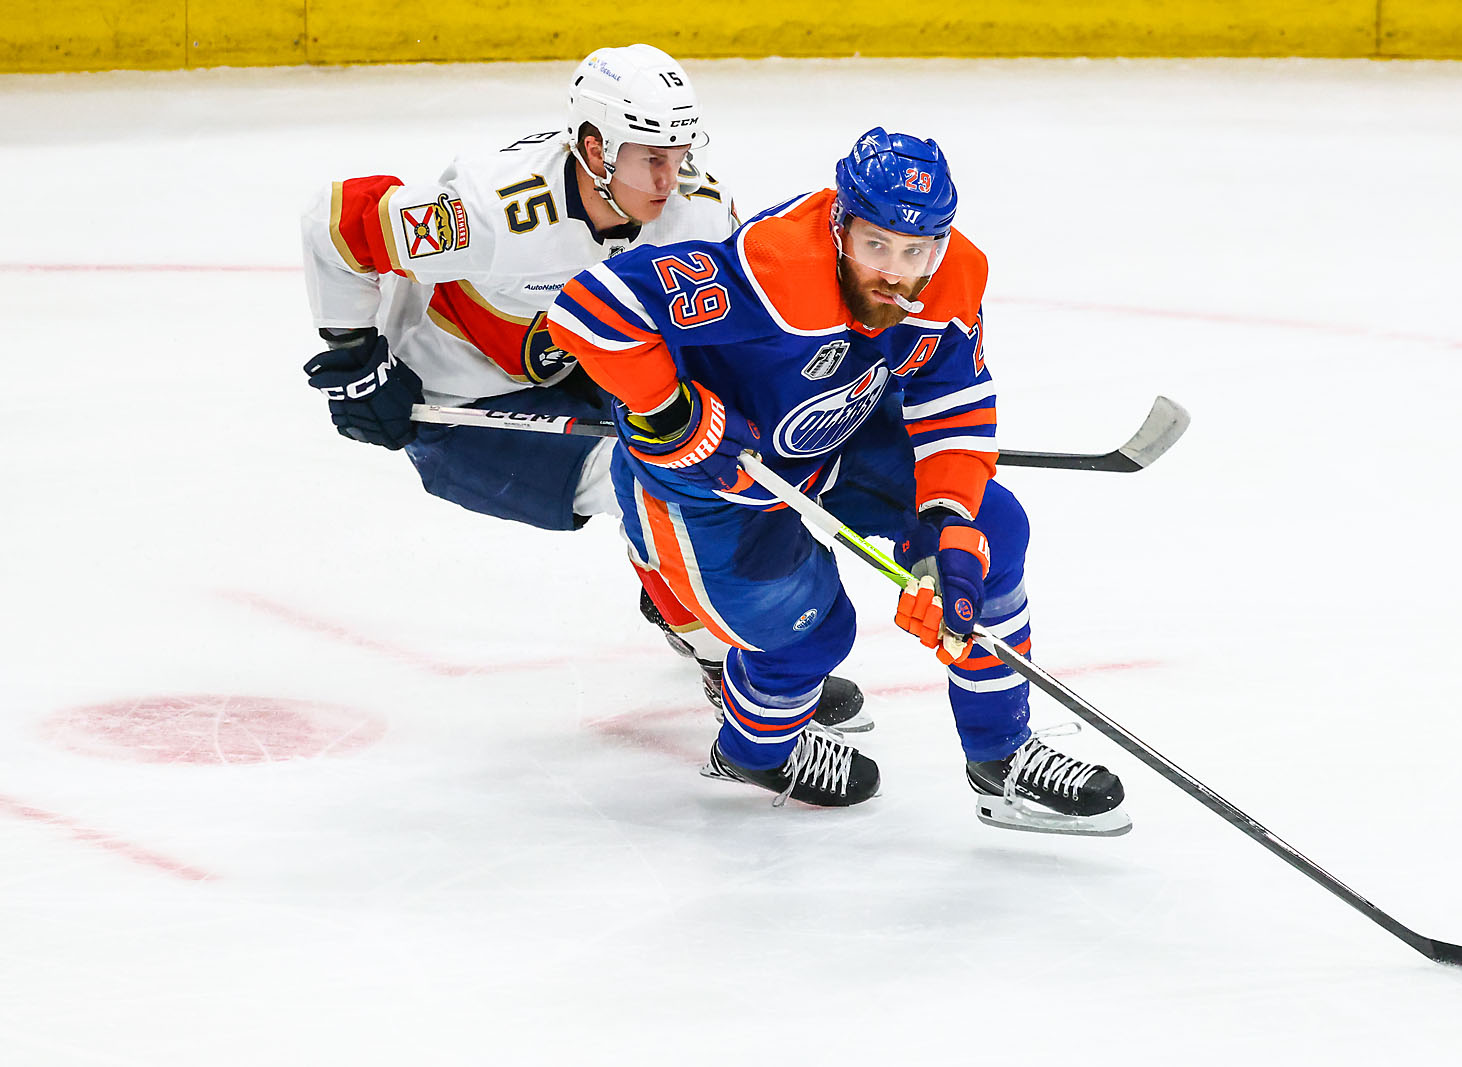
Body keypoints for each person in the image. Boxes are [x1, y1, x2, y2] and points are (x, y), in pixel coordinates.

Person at [544, 127, 1129, 833]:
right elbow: (589, 308)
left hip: (837, 441)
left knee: (987, 536)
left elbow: (952, 398)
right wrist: (671, 413)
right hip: (710, 488)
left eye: (916, 251)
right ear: (840, 224)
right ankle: (753, 753)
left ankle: (999, 759)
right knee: (814, 634)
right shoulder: (773, 268)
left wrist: (946, 524)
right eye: (875, 244)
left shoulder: (952, 276)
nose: (894, 272)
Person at [297, 43, 867, 730]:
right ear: (596, 149)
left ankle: (677, 590)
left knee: (689, 462)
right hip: (462, 404)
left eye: (679, 154)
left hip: (588, 368)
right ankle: (722, 655)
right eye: (651, 158)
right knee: (648, 481)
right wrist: (357, 359)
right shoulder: (494, 211)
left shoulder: (699, 210)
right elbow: (337, 224)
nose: (671, 178)